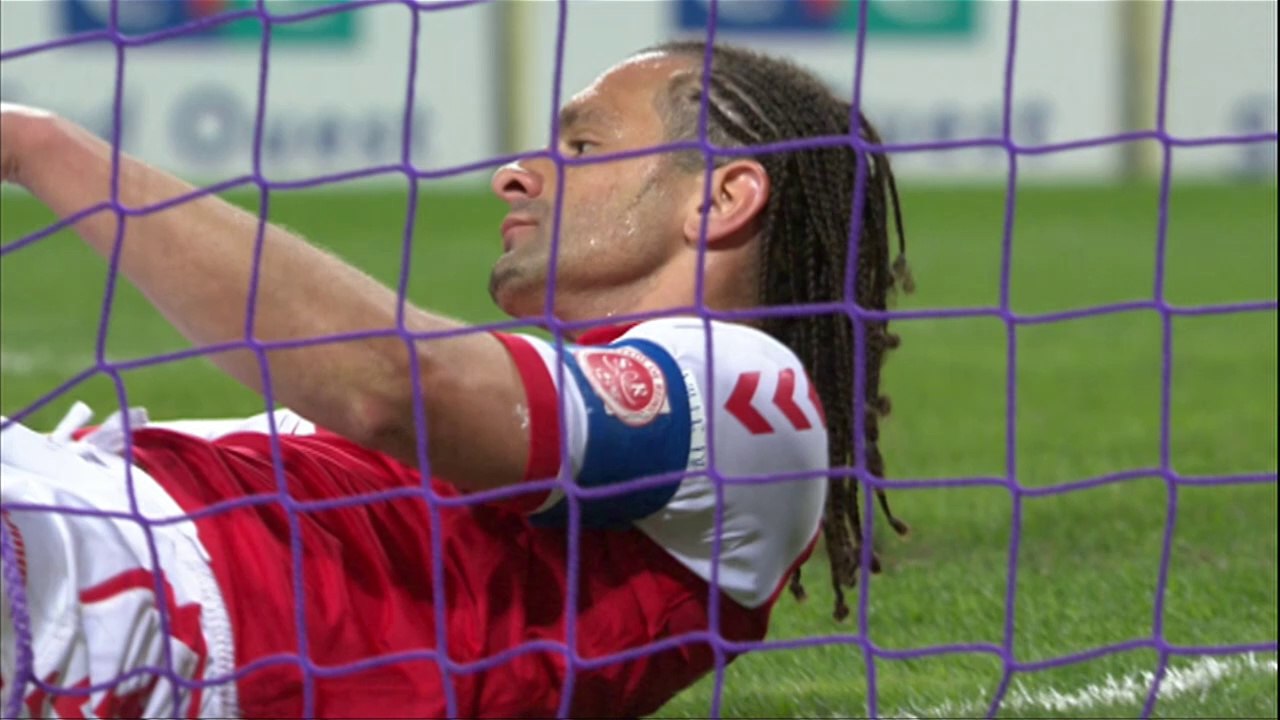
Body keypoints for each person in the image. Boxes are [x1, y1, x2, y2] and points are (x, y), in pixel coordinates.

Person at [0, 41, 911, 718]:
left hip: (132, 598)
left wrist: (35, 145)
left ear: (719, 198)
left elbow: (389, 385)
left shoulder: (751, 393)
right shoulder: (584, 385)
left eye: (583, 147)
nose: (515, 176)